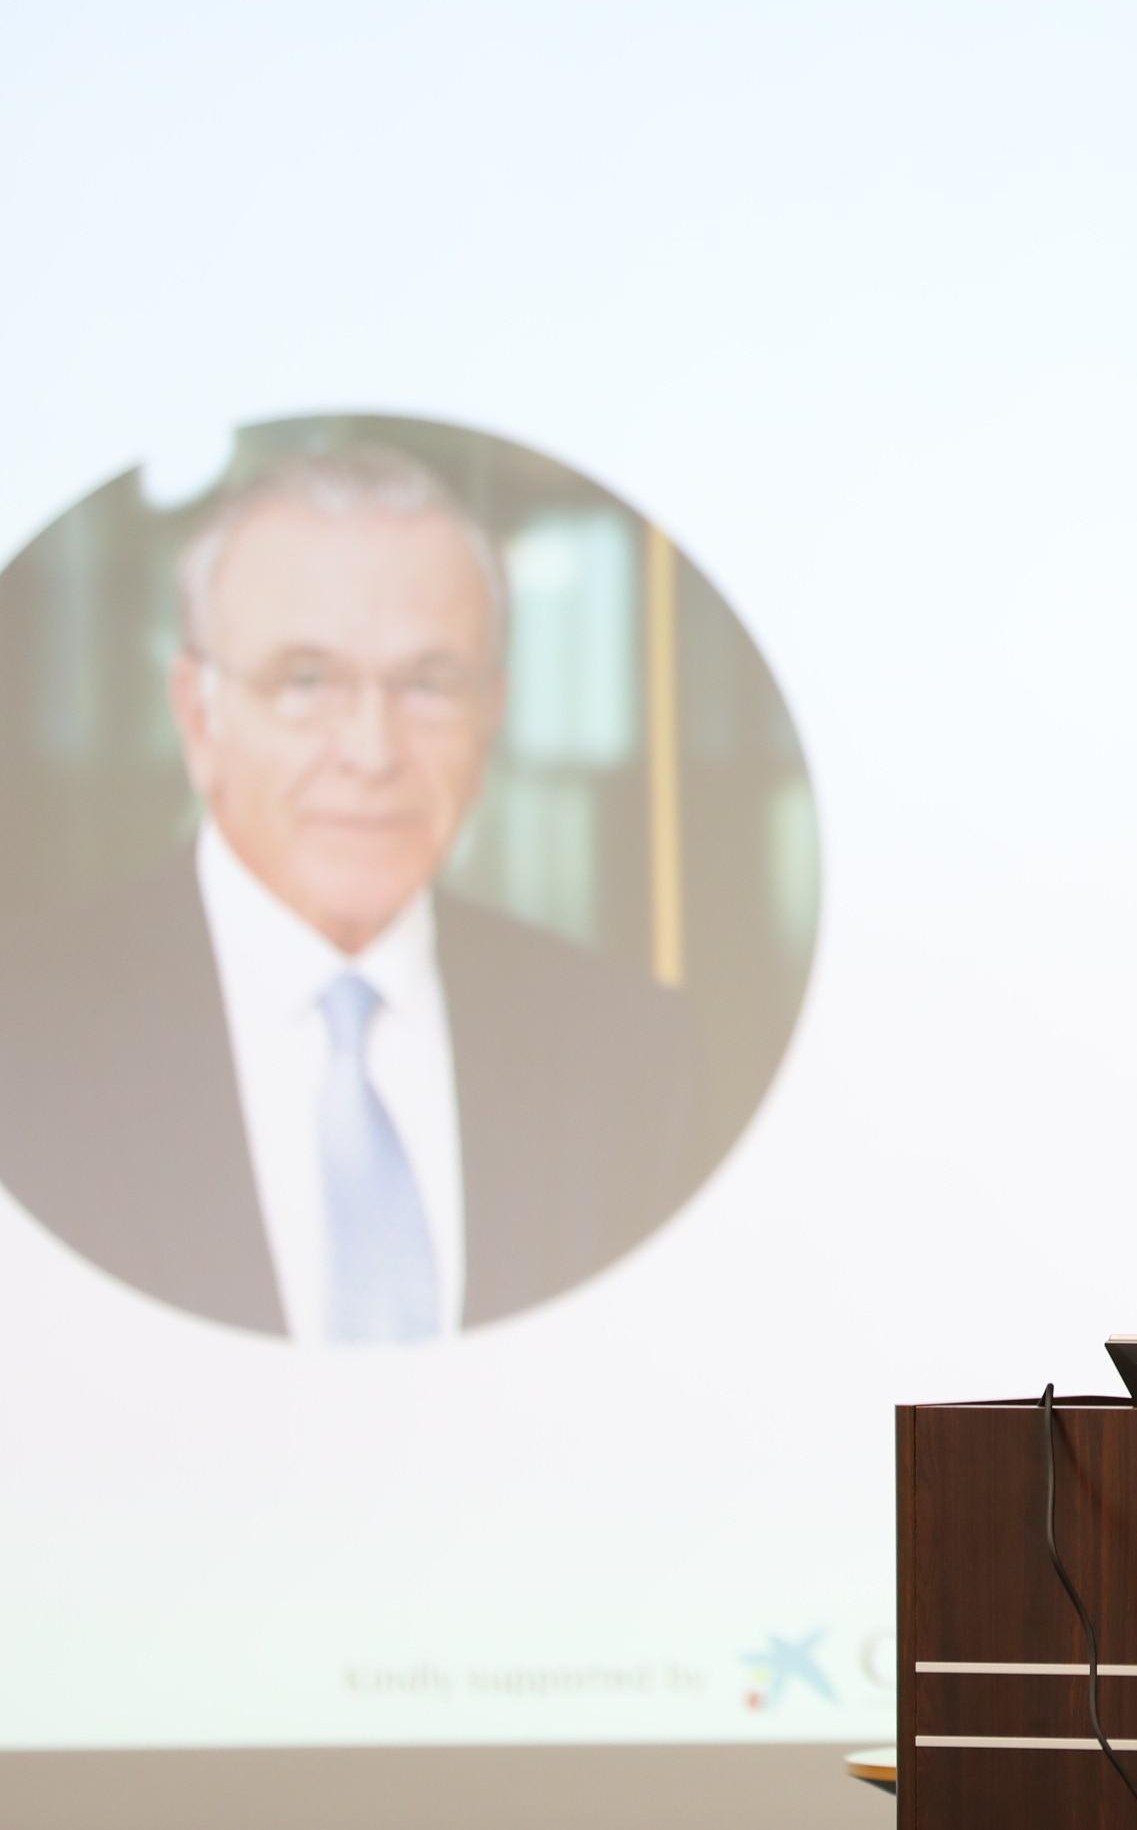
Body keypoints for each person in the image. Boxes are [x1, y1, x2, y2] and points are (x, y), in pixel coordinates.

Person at [0, 444, 698, 1341]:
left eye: (429, 683)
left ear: (492, 714)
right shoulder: (22, 1035)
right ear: (198, 713)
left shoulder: (631, 1054)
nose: (371, 750)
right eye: (305, 681)